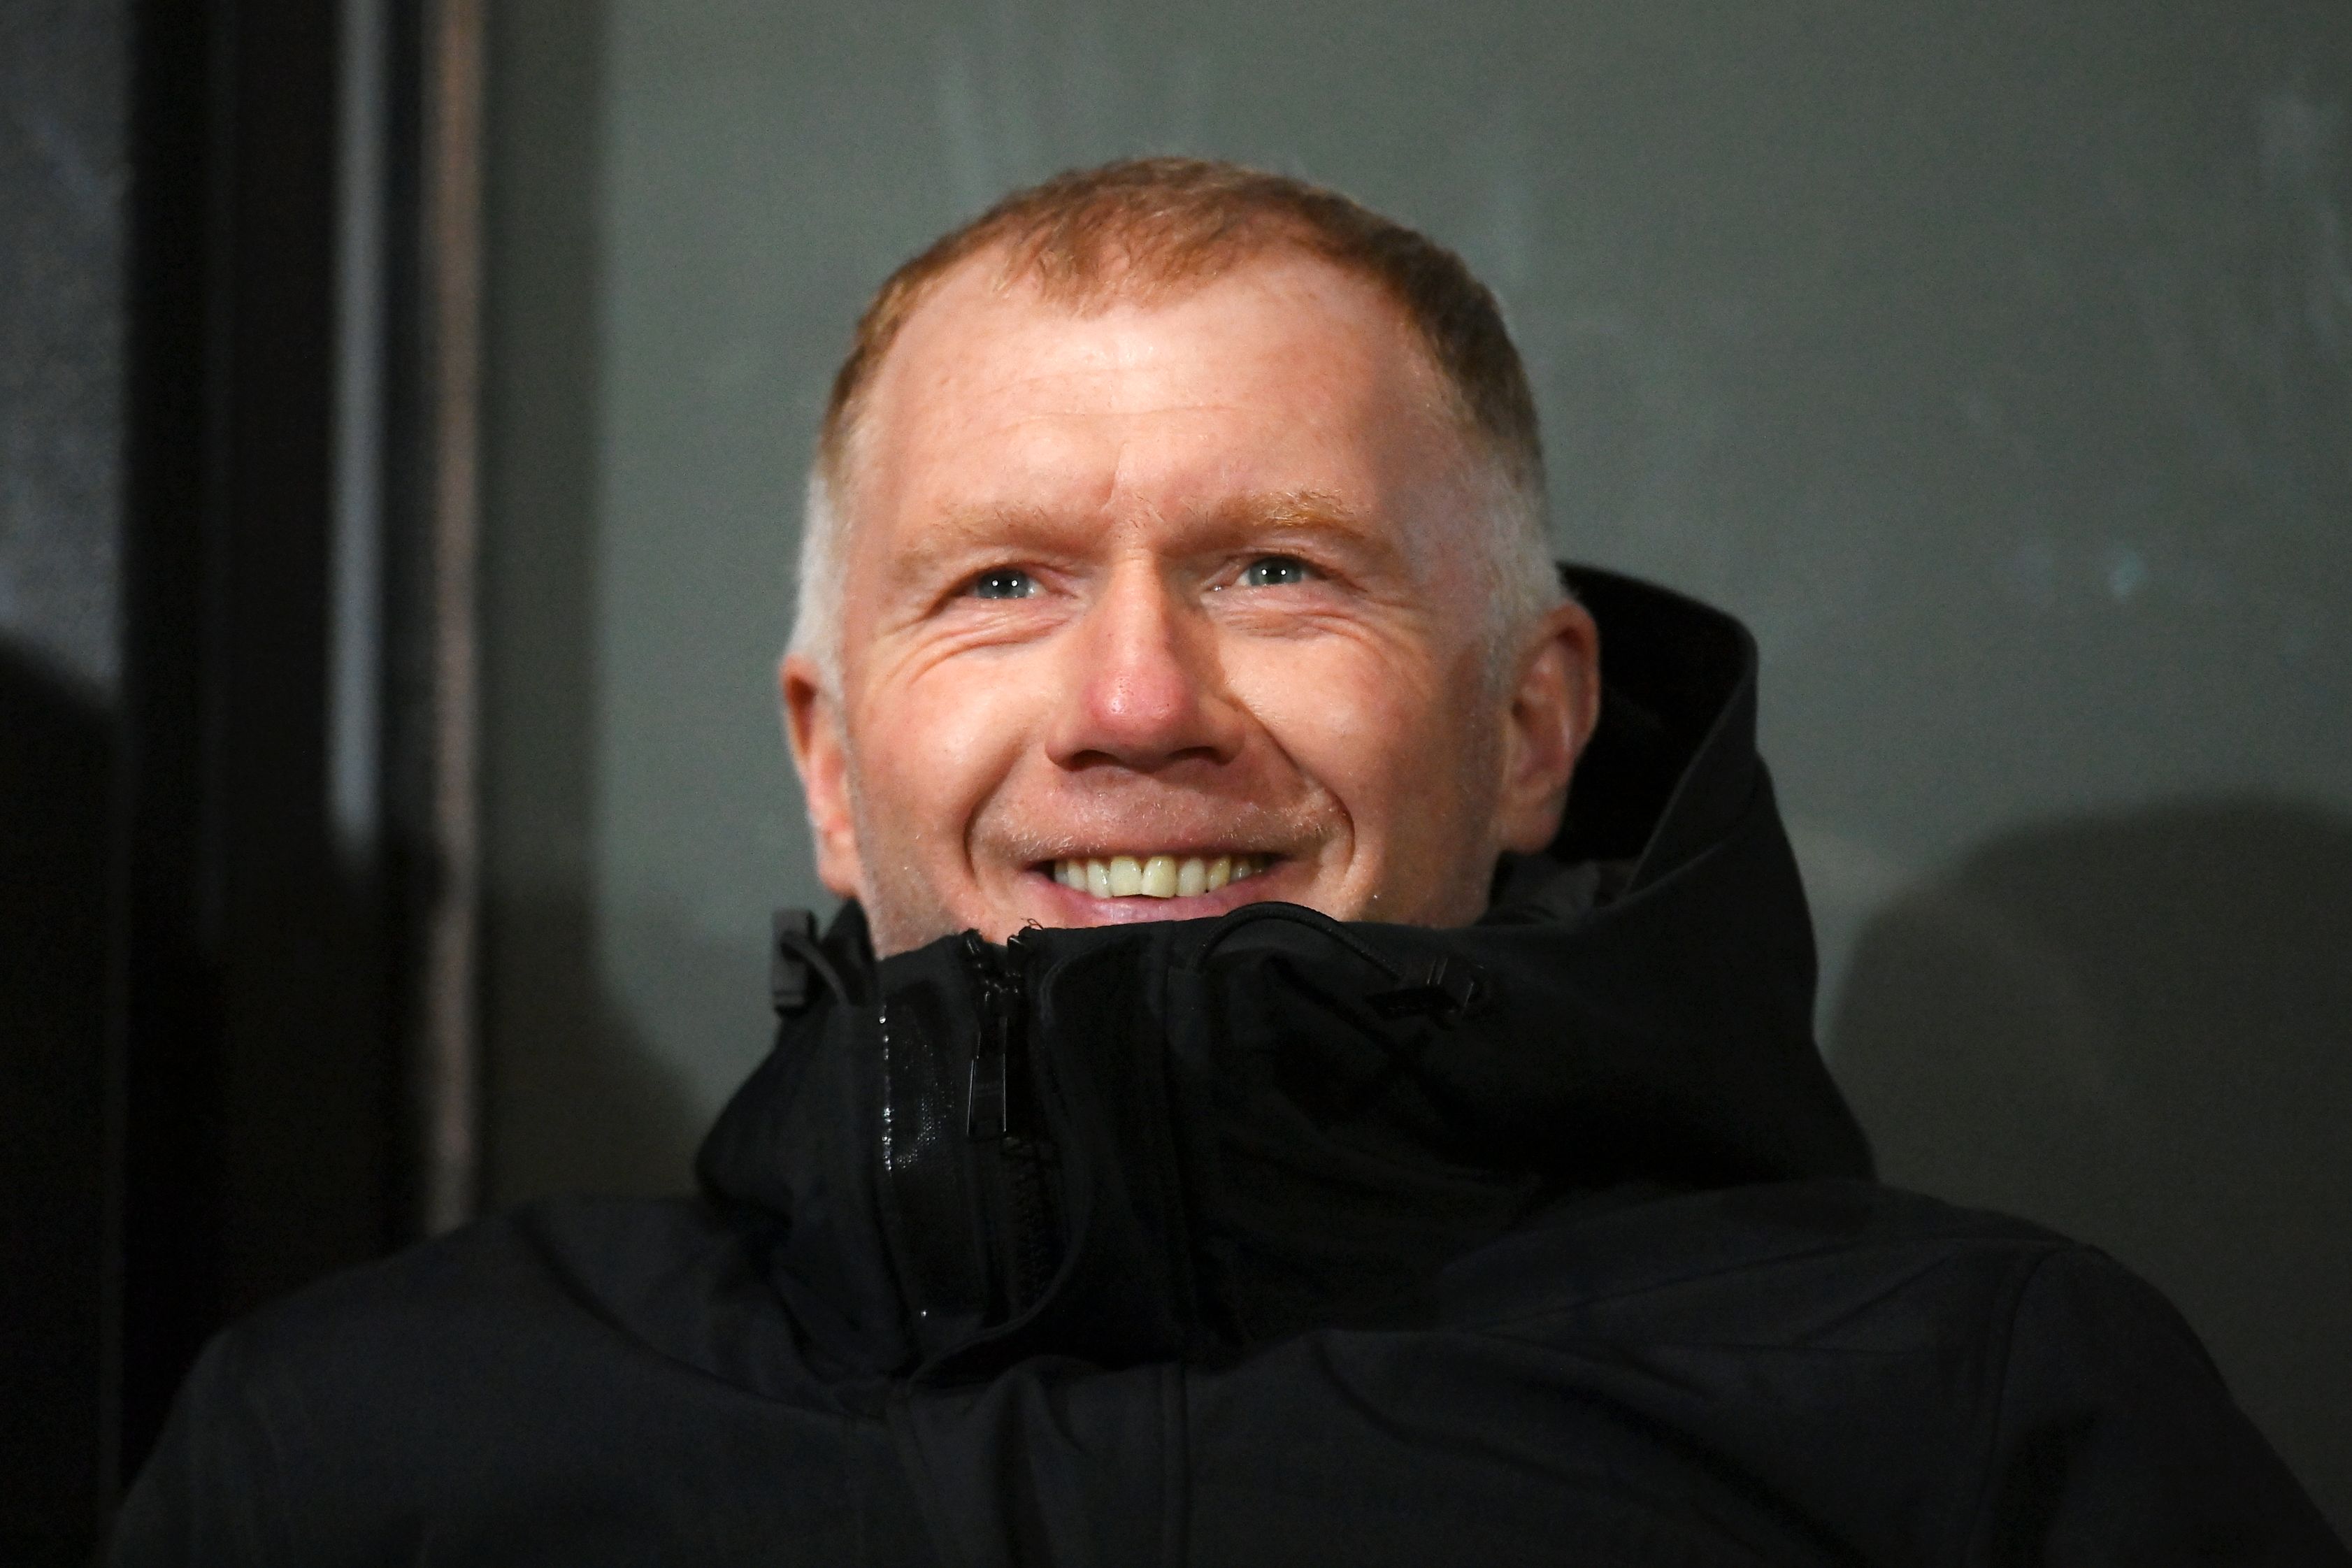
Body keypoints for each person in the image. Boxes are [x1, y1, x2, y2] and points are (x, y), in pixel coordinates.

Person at [113, 157, 2344, 1565]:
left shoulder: (1965, 1418)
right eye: (997, 583)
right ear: (824, 750)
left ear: (1534, 722)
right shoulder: (354, 1450)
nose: (1132, 700)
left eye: (1277, 568)